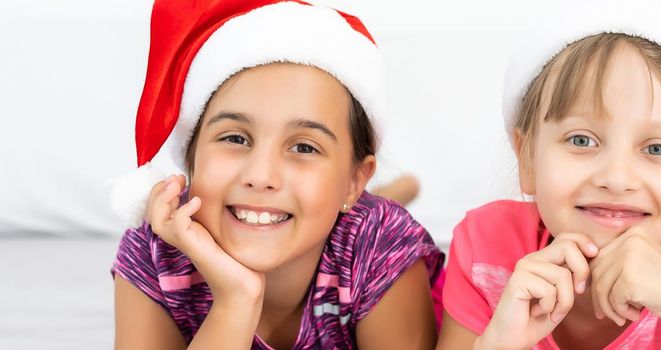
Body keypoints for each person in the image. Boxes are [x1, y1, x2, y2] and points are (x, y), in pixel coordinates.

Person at [438, 1, 661, 349]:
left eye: (657, 148)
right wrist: (496, 343)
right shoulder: (483, 247)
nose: (617, 179)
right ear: (527, 160)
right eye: (581, 140)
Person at [109, 1, 443, 348]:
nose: (261, 175)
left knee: (379, 208)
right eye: (235, 138)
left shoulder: (380, 243)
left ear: (355, 181)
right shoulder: (154, 249)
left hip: (359, 218)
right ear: (190, 159)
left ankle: (398, 189)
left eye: (304, 148)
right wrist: (236, 302)